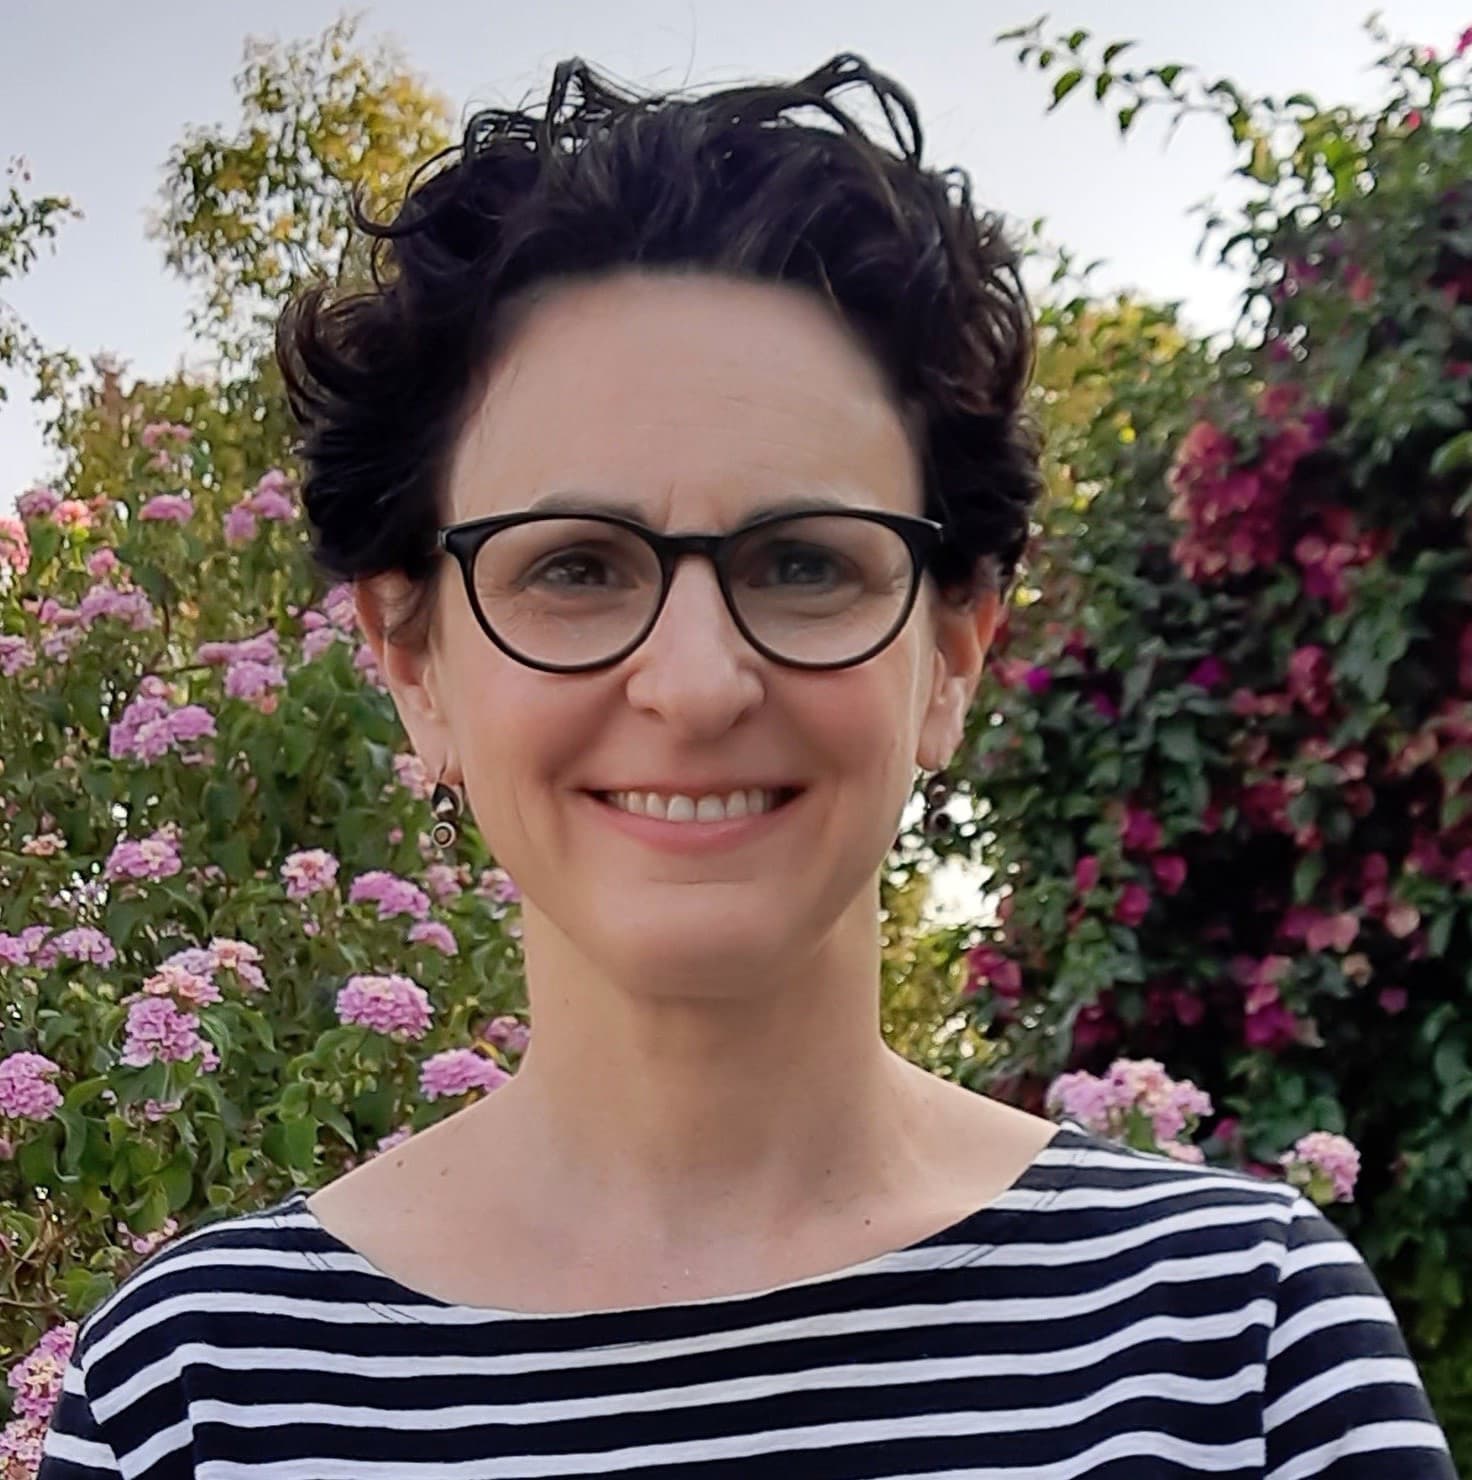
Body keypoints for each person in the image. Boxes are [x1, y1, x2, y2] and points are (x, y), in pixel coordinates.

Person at [40, 54, 1452, 1480]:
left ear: (953, 652)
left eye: (803, 563)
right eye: (576, 567)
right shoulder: (197, 1398)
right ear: (415, 662)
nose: (700, 684)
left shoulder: (1243, 1352)